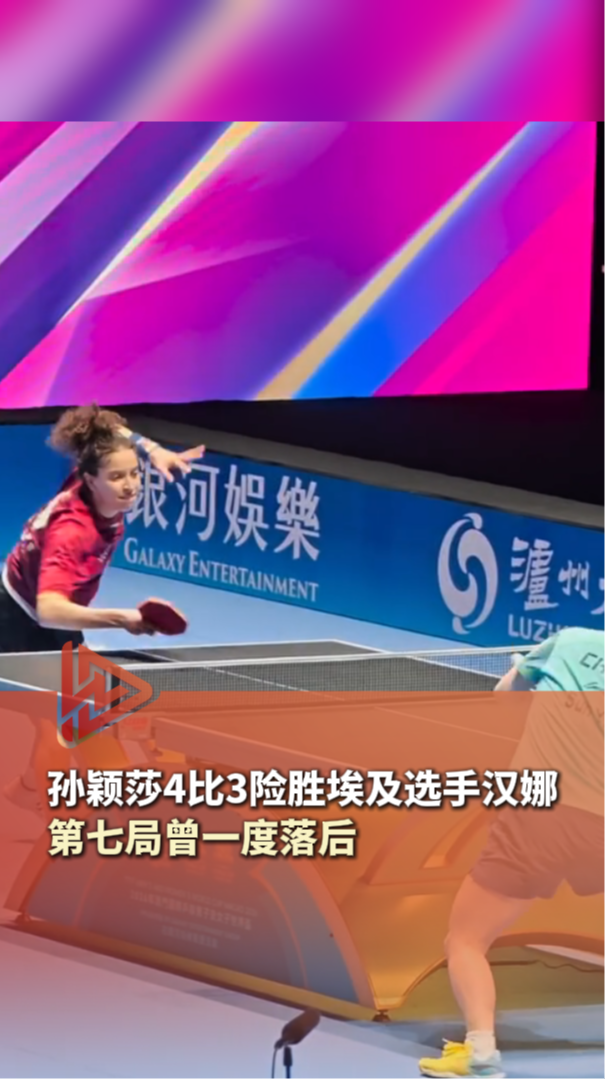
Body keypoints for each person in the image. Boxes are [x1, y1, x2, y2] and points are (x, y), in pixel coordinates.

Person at [418, 627, 605, 1079]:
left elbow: (505, 695)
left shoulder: (570, 641)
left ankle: (480, 1053)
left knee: (465, 940)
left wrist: (530, 674)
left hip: (539, 818)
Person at [1, 403, 204, 815]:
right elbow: (49, 610)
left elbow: (107, 426)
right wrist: (122, 618)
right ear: (90, 479)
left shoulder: (93, 476)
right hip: (19, 620)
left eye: (134, 474)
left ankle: (26, 792)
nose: (129, 486)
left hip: (45, 609)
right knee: (65, 721)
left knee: (76, 714)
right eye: (117, 477)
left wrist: (154, 451)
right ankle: (67, 819)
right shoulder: (73, 532)